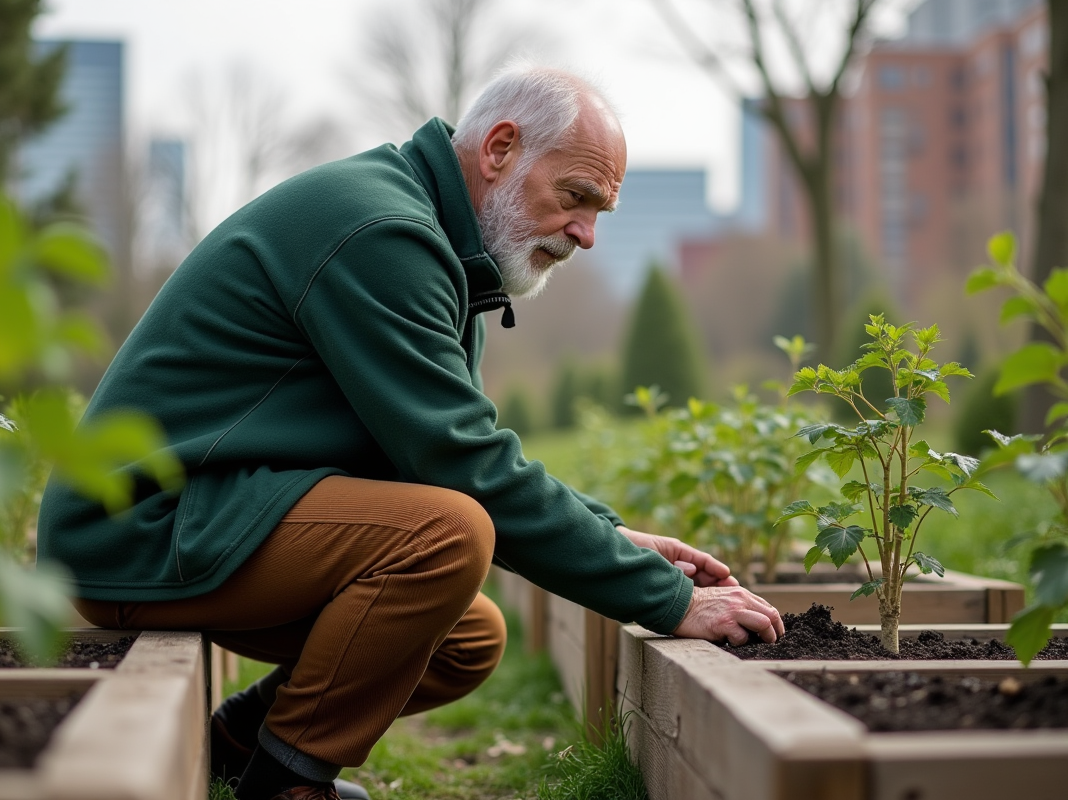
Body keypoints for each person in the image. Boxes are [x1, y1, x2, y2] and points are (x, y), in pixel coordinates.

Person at [38, 64, 785, 800]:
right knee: (449, 534)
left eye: (599, 212)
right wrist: (666, 598)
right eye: (576, 197)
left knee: (467, 636)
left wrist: (610, 536)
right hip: (138, 527)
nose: (586, 233)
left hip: (217, 512)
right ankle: (289, 783)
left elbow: (456, 447)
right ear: (499, 150)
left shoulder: (436, 242)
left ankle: (241, 743)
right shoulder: (380, 231)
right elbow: (461, 464)